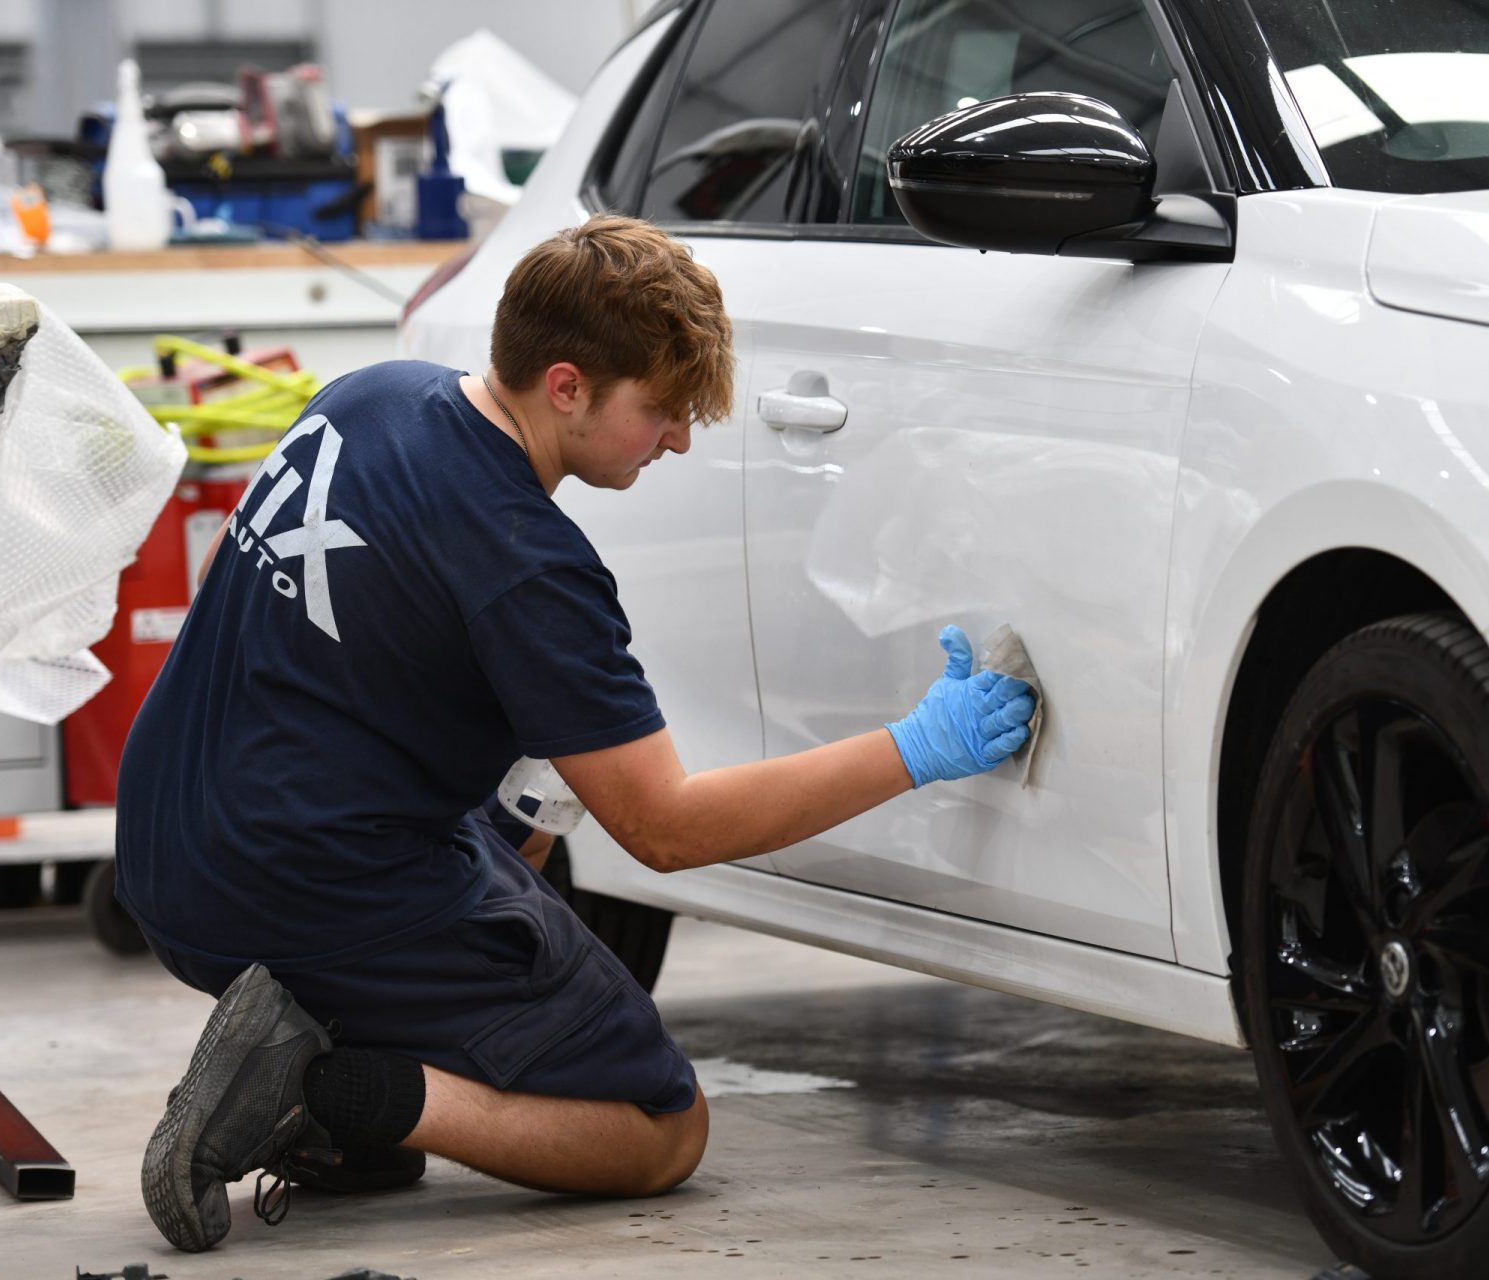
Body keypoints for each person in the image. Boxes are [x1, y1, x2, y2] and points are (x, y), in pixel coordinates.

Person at [115, 214, 1036, 1253]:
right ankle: (326, 1082)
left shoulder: (366, 397)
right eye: (660, 410)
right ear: (565, 386)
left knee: (518, 854)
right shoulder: (527, 563)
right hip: (301, 881)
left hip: (162, 845)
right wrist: (917, 746)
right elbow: (667, 829)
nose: (679, 438)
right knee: (658, 1128)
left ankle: (331, 1083)